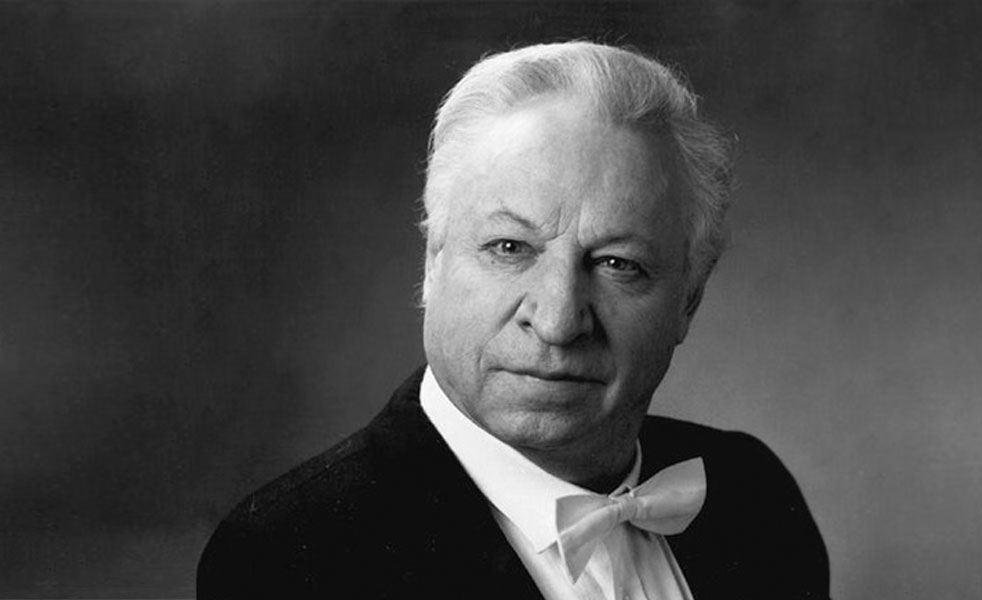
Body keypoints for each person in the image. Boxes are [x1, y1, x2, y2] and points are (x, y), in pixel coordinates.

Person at [196, 42, 829, 600]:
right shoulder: (288, 558)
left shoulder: (753, 497)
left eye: (617, 263)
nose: (557, 321)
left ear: (688, 299)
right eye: (509, 248)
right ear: (433, 262)